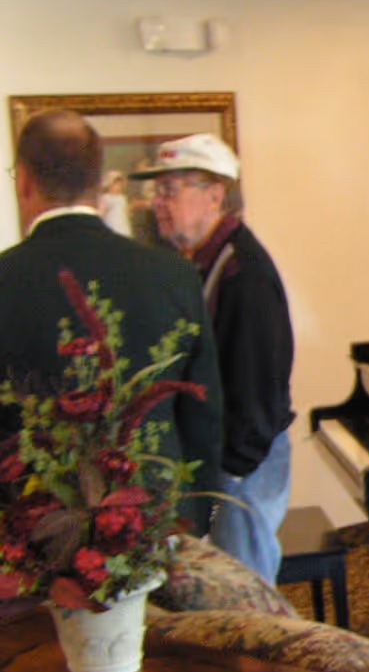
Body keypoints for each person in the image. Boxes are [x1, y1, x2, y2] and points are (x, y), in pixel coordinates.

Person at [0, 110, 224, 531]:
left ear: (24, 180)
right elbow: (202, 415)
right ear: (97, 182)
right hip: (157, 519)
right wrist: (199, 516)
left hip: (33, 529)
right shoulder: (173, 275)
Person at [131, 133, 295, 581]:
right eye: (156, 192)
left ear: (215, 194)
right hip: (231, 457)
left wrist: (232, 474)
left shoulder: (242, 272)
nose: (158, 203)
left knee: (248, 589)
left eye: (170, 190)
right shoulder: (208, 260)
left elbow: (259, 384)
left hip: (244, 462)